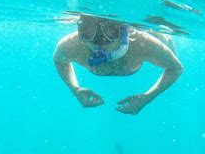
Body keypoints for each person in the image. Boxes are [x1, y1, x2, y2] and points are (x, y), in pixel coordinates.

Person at [53, 14, 183, 115]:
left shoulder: (141, 43)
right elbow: (59, 60)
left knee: (166, 41)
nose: (100, 41)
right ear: (81, 29)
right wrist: (75, 89)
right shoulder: (72, 44)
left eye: (110, 29)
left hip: (147, 38)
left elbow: (176, 68)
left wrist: (148, 97)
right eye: (88, 29)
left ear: (123, 30)